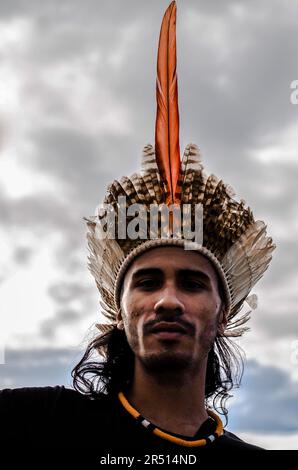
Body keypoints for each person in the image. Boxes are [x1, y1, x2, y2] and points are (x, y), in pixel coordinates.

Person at [0, 1, 275, 462]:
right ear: (119, 308)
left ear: (224, 312)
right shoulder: (33, 424)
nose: (168, 300)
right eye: (147, 282)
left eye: (192, 282)